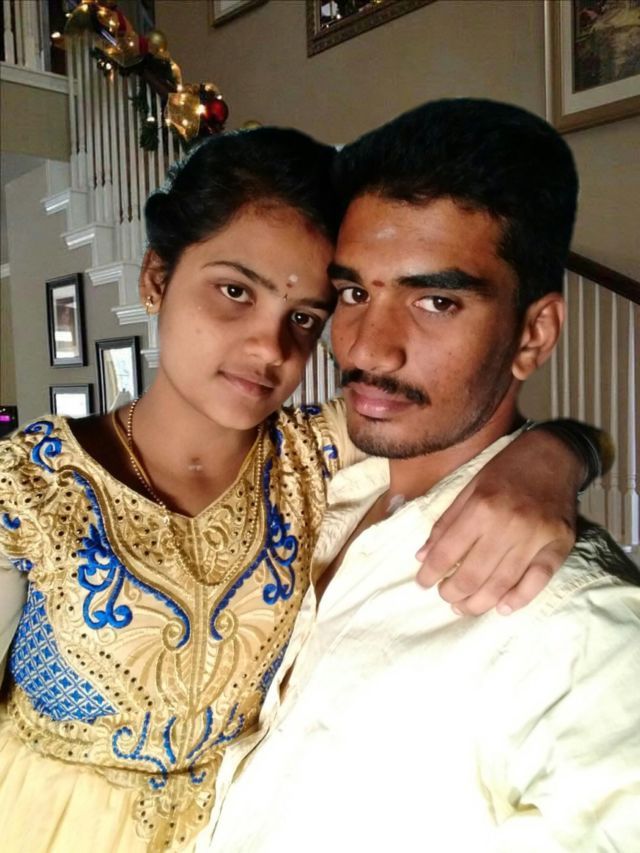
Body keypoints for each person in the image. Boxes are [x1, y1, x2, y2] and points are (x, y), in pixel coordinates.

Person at [0, 126, 607, 853]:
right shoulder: (26, 482)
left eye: (305, 317)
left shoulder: (321, 453)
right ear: (156, 277)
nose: (270, 347)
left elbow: (464, 422)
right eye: (234, 292)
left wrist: (556, 452)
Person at [205, 100, 640, 852]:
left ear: (533, 335)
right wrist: (568, 447)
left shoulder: (583, 632)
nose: (368, 348)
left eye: (436, 301)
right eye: (354, 293)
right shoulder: (321, 489)